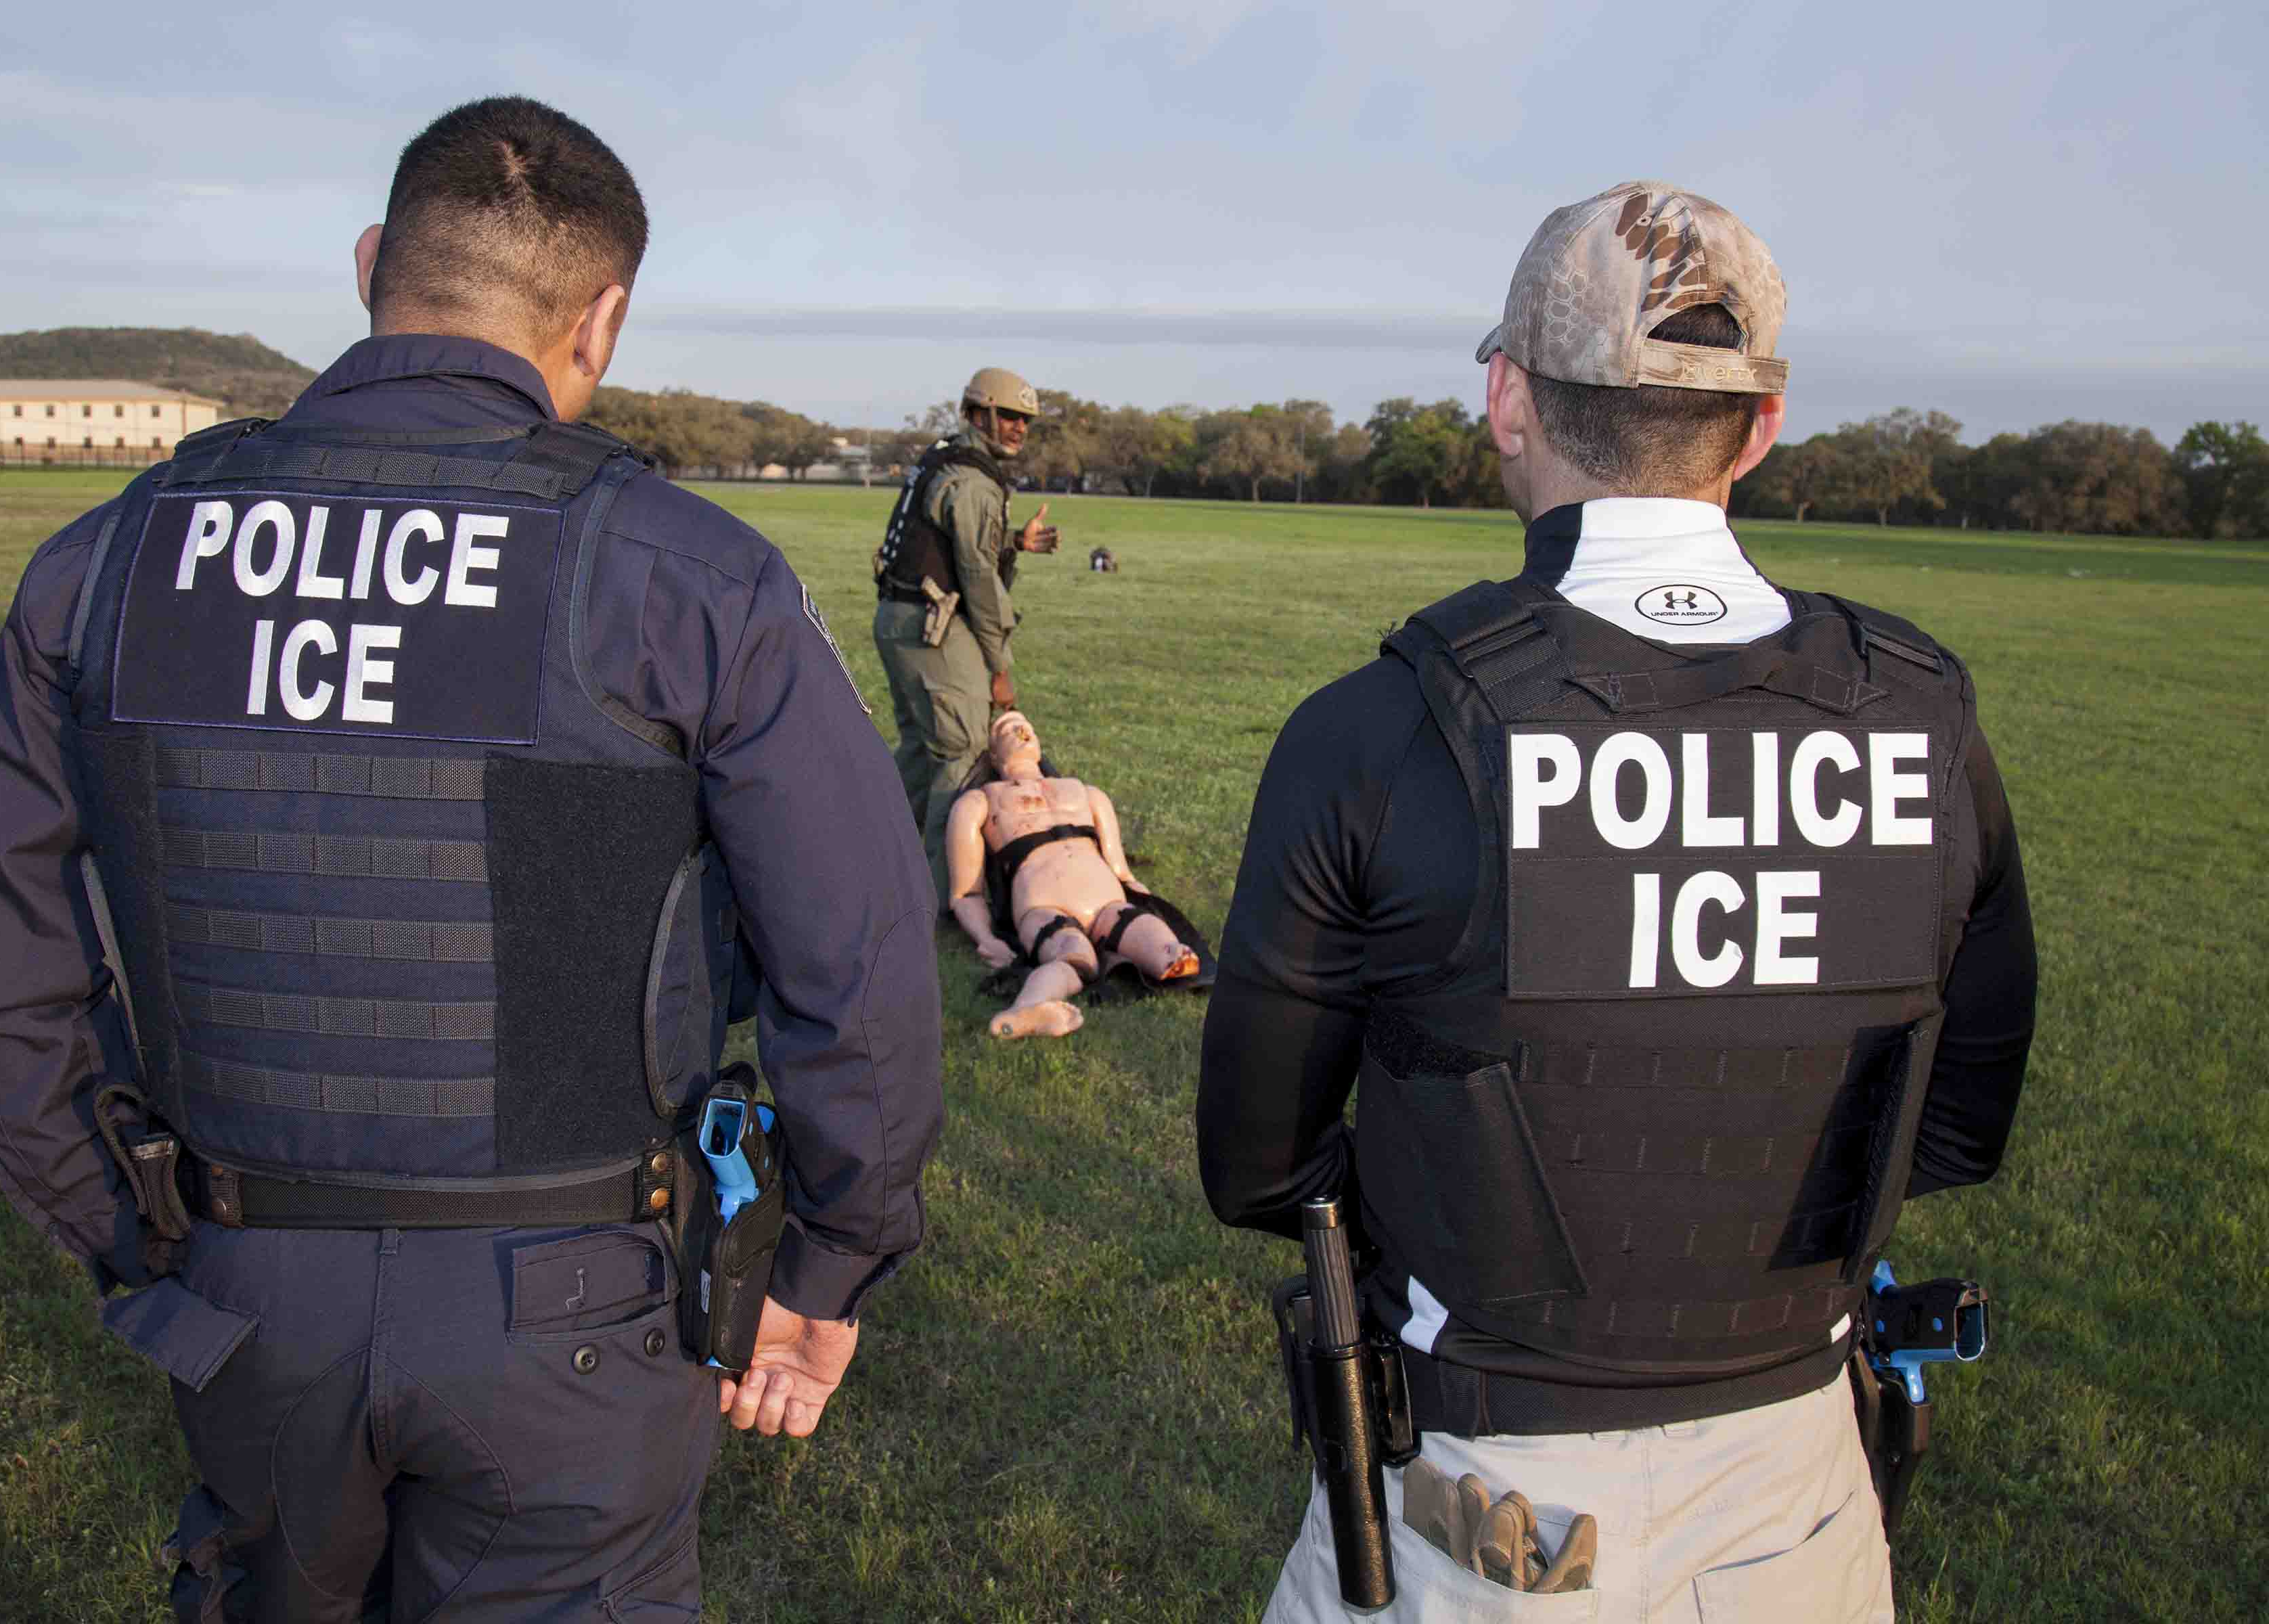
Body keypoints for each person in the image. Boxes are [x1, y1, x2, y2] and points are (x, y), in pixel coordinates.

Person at [0, 96, 944, 1623]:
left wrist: (138, 1233)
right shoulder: (686, 575)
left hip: (248, 1288)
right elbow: (856, 963)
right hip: (579, 1312)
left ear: (374, 264)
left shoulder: (110, 561)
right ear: (601, 318)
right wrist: (834, 1257)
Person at [1198, 181, 2037, 1622]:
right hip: (1799, 1493)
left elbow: (1260, 1166)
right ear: (1761, 426)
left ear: (1508, 399)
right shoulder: (1925, 719)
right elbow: (1953, 1127)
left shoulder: (1380, 730)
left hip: (1485, 1517)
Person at [872, 367, 1061, 898]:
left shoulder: (943, 458)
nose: (1019, 428)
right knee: (962, 751)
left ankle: (868, 855)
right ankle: (935, 893)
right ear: (978, 414)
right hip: (931, 627)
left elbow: (950, 551)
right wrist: (1000, 667)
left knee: (921, 746)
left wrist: (1016, 546)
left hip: (900, 619)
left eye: (1026, 420)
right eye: (1010, 417)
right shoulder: (974, 480)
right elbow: (978, 580)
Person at [943, 710, 1206, 1038]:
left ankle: (1171, 955)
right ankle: (1027, 1009)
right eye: (1006, 728)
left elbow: (1122, 872)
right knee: (1075, 956)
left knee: (1167, 950)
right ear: (993, 754)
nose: (1019, 728)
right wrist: (987, 940)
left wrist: (1151, 908)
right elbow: (965, 893)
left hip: (1109, 903)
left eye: (1025, 725)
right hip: (1044, 908)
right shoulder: (979, 802)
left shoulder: (1087, 793)